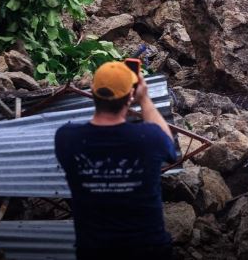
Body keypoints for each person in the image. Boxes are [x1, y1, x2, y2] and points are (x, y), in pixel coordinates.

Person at [55, 61, 177, 259]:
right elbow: (170, 150)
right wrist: (144, 99)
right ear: (130, 96)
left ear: (93, 91)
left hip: (94, 252)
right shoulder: (149, 138)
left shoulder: (67, 138)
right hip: (148, 251)